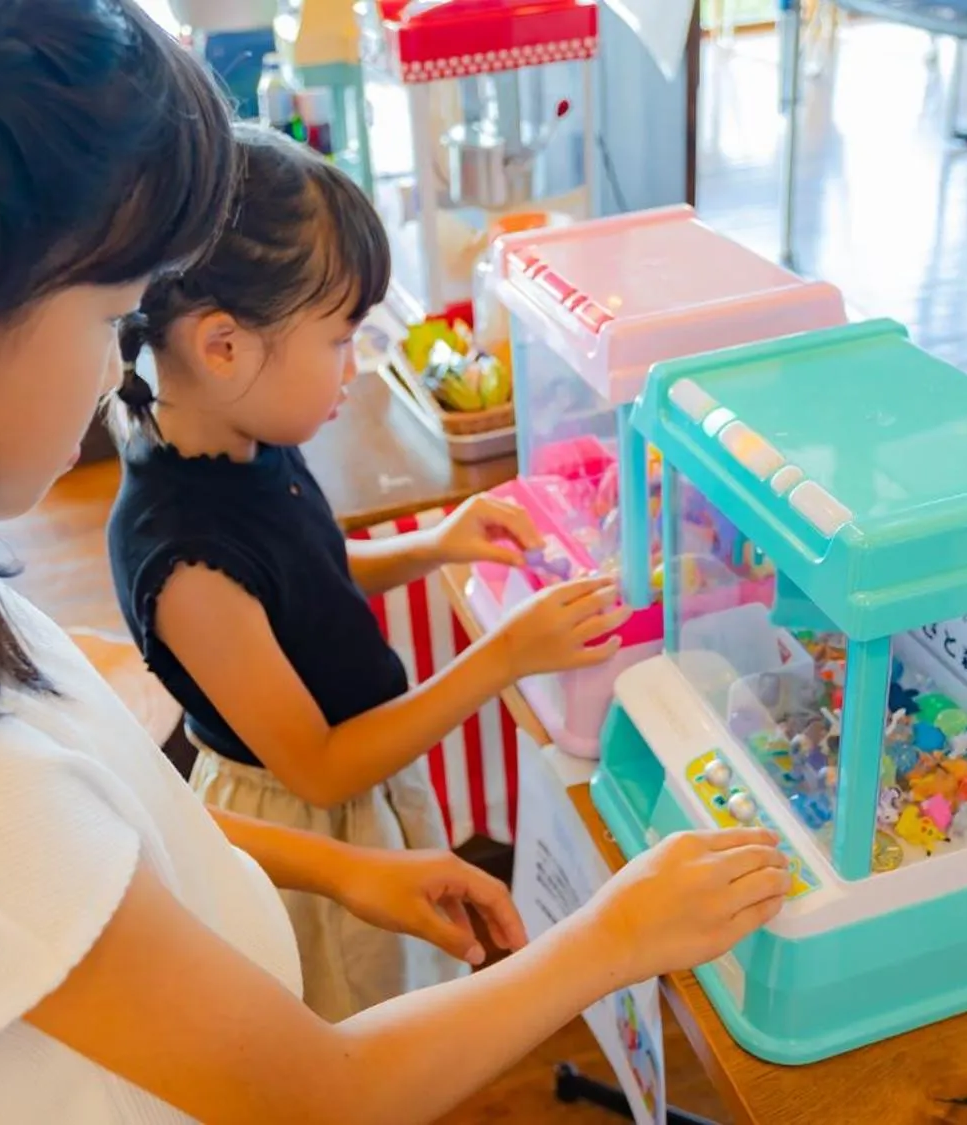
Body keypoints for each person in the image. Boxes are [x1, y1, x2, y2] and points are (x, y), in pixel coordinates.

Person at [0, 2, 790, 1123]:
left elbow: (111, 851)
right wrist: (613, 937)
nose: (112, 371)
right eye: (105, 317)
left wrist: (337, 869)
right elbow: (325, 1094)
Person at [107, 125, 628, 1021]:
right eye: (341, 337)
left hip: (366, 791)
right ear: (222, 344)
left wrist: (436, 544)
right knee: (361, 1015)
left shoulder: (241, 436)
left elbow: (305, 568)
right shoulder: (183, 558)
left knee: (412, 991)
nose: (358, 365)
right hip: (310, 828)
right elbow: (320, 766)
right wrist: (500, 657)